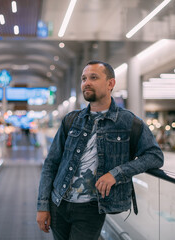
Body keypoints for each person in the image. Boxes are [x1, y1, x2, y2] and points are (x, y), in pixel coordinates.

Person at [36, 60, 164, 240]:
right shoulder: (71, 120)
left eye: (93, 77)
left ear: (110, 83)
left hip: (91, 208)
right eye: (83, 78)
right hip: (59, 203)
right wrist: (43, 205)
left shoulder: (128, 122)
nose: (86, 82)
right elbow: (51, 164)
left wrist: (117, 174)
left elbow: (154, 155)